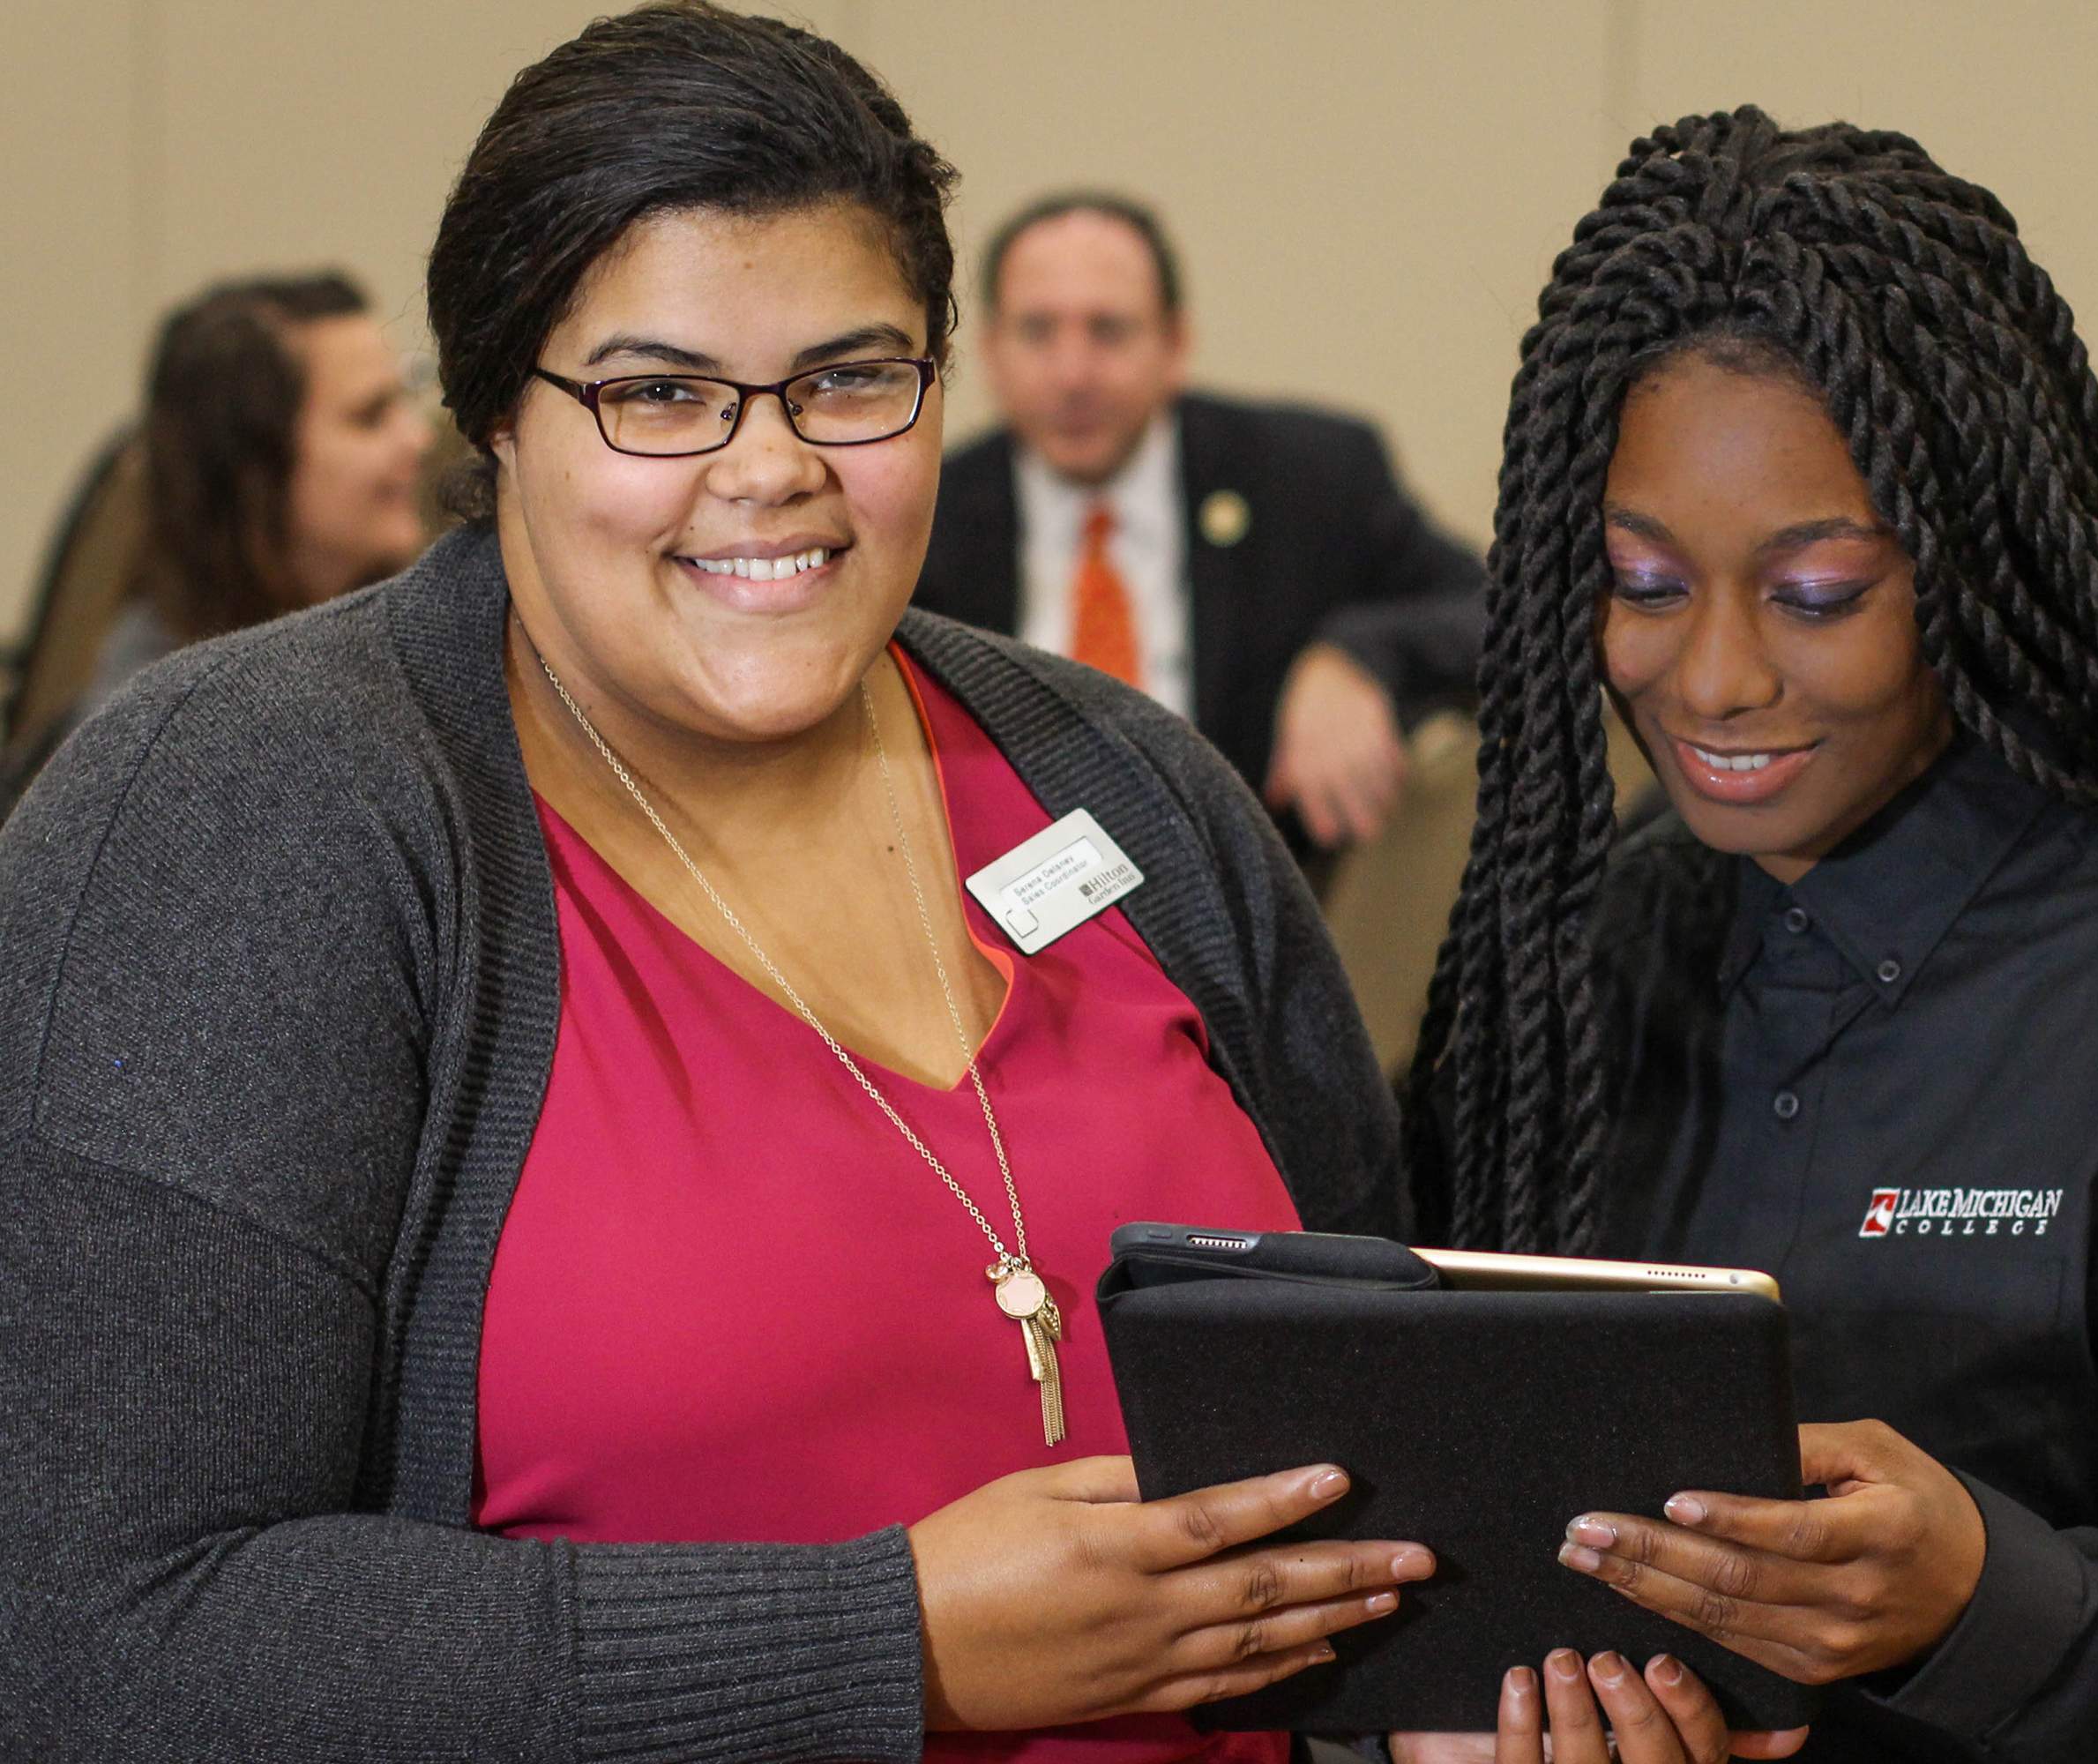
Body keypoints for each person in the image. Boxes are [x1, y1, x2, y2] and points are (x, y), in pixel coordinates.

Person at [0, 10, 1760, 1760]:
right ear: (495, 417)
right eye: (658, 392)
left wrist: (1431, 1719)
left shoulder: (1128, 786)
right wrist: (886, 1641)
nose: (771, 468)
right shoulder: (247, 808)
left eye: (852, 378)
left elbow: (1377, 1459)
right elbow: (98, 1640)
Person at [1402, 109, 2098, 1763]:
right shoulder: (1562, 969)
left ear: (1969, 565)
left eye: (1817, 594)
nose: (1719, 678)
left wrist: (1980, 1600)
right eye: (1643, 584)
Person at [913, 193, 1487, 852]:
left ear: (1175, 345)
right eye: (1038, 332)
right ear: (989, 352)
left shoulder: (1309, 478)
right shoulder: (925, 516)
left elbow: (1493, 610)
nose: (1073, 375)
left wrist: (1356, 656)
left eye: (1108, 330)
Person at [2, 271, 431, 795]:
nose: (419, 439)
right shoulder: (150, 746)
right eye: (369, 417)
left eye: (403, 400)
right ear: (251, 475)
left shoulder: (381, 656)